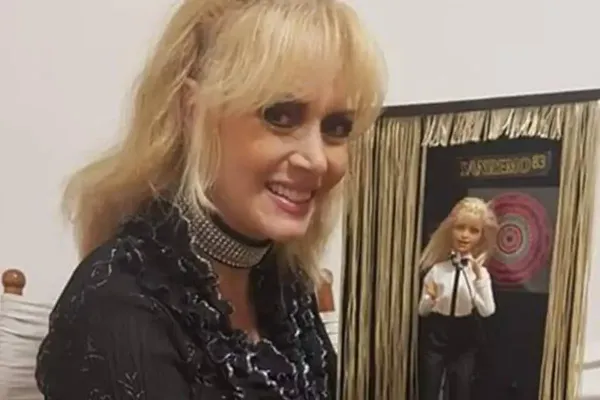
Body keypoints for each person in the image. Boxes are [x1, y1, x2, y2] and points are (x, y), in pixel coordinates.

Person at [34, 0, 386, 398]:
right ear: (190, 112)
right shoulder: (118, 305)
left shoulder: (284, 286)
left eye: (336, 127)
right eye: (281, 116)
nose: (317, 159)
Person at [417, 197, 498, 400]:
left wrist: (478, 279)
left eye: (473, 231)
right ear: (450, 229)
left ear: (481, 236)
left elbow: (487, 310)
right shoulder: (437, 270)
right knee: (429, 388)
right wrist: (430, 299)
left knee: (461, 389)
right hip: (437, 334)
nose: (465, 235)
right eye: (460, 228)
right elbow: (422, 311)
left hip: (465, 335)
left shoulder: (480, 274)